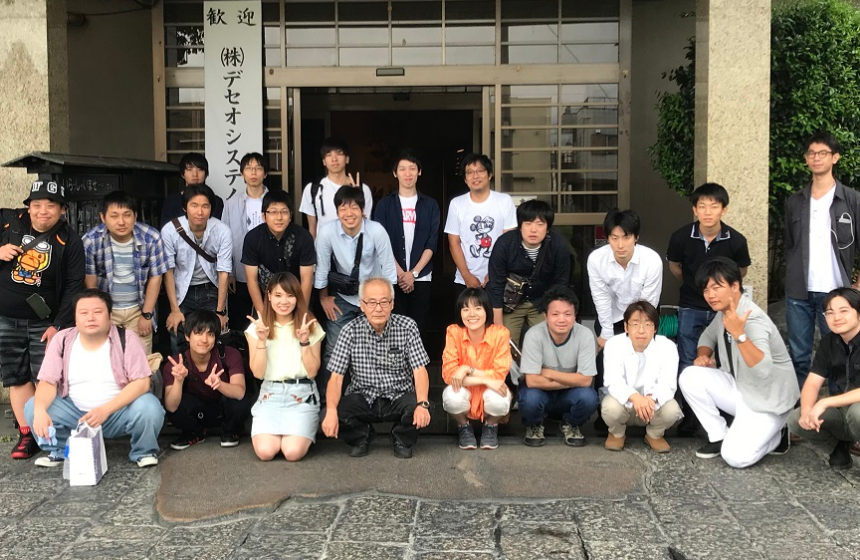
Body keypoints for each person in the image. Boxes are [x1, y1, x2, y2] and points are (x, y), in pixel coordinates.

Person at [24, 289, 164, 468]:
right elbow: (48, 382)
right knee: (33, 407)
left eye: (98, 312)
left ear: (110, 316)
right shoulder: (62, 339)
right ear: (75, 318)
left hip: (116, 413)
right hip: (75, 414)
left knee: (149, 407)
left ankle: (143, 452)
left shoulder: (127, 338)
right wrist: (40, 411)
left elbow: (142, 383)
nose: (90, 318)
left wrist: (105, 410)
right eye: (83, 313)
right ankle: (60, 451)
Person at [679, 257, 797, 468]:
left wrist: (739, 335)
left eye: (717, 287)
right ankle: (719, 436)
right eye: (706, 289)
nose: (710, 295)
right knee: (689, 376)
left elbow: (763, 370)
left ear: (735, 286)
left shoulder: (753, 319)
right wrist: (703, 356)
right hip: (743, 388)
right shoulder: (724, 313)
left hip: (767, 400)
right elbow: (707, 336)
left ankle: (778, 433)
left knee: (735, 457)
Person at [0, 180, 85, 460]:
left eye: (51, 205)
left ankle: (49, 434)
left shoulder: (69, 239)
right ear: (28, 207)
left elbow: (74, 286)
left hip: (45, 322)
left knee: (47, 378)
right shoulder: (8, 222)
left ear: (62, 210)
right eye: (36, 205)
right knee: (16, 377)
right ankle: (27, 436)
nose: (43, 211)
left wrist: (58, 325)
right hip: (6, 318)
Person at [666, 182, 750, 434]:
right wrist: (698, 287)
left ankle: (727, 412)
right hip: (690, 306)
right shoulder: (681, 236)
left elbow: (741, 271)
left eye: (714, 206)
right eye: (702, 206)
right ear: (695, 209)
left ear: (724, 210)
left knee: (727, 358)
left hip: (724, 310)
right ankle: (691, 416)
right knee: (688, 359)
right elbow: (675, 267)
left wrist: (720, 295)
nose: (708, 212)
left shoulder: (736, 240)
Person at [321, 277, 431, 459]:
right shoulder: (349, 331)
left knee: (422, 405)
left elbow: (419, 370)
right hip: (363, 397)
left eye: (384, 302)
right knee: (330, 411)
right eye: (371, 302)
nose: (378, 308)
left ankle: (400, 438)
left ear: (392, 304)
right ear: (362, 305)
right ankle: (362, 436)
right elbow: (336, 377)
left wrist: (422, 404)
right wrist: (331, 411)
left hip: (398, 396)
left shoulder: (408, 327)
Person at [784, 132, 860, 392]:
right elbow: (790, 244)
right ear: (806, 159)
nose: (816, 158)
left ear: (835, 158)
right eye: (811, 153)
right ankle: (802, 410)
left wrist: (857, 285)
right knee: (799, 355)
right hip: (799, 292)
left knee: (841, 354)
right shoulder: (794, 201)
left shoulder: (851, 199)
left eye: (823, 153)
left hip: (837, 291)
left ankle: (840, 411)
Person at [314, 186, 397, 395]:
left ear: (363, 210)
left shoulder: (376, 231)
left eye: (354, 207)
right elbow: (322, 268)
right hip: (343, 297)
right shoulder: (327, 232)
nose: (349, 213)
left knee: (376, 348)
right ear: (337, 211)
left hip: (374, 298)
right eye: (343, 208)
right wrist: (323, 298)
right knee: (333, 349)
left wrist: (385, 304)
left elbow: (388, 269)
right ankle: (329, 400)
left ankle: (377, 397)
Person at [245, 273, 324, 462]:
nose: (284, 301)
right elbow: (258, 373)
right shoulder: (257, 327)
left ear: (297, 297)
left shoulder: (309, 325)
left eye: (290, 295)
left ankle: (300, 431)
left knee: (292, 452)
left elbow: (313, 371)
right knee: (265, 452)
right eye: (278, 295)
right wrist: (262, 340)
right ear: (269, 296)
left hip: (302, 395)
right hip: (270, 395)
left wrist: (304, 341)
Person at [82, 190, 168, 354]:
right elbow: (90, 283)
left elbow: (156, 277)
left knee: (141, 361)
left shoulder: (151, 237)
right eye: (114, 216)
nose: (121, 222)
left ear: (135, 216)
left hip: (138, 309)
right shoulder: (91, 241)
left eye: (127, 215)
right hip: (107, 310)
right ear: (103, 218)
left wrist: (147, 315)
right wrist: (100, 314)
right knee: (107, 359)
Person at [518, 285, 599, 448]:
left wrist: (549, 373)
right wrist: (574, 379)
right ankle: (535, 424)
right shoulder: (534, 335)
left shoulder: (585, 335)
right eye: (555, 314)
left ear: (575, 315)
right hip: (540, 393)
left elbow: (586, 381)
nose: (561, 319)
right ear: (545, 316)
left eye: (567, 314)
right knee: (530, 399)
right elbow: (532, 381)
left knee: (589, 398)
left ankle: (570, 424)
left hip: (569, 395)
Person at [788, 287, 860, 470]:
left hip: (856, 411)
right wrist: (807, 411)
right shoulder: (829, 342)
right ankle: (839, 446)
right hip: (843, 411)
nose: (836, 317)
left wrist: (825, 402)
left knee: (857, 413)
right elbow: (813, 382)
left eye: (844, 311)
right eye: (830, 312)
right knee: (796, 418)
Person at [373, 149, 440, 339]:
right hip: (392, 277)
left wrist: (413, 274)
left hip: (422, 277)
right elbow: (381, 243)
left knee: (419, 329)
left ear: (419, 171)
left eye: (412, 168)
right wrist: (401, 274)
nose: (407, 173)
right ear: (395, 173)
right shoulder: (384, 205)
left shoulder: (430, 205)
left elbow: (431, 243)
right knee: (393, 330)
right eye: (402, 169)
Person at [162, 310, 253, 450]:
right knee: (178, 404)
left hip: (224, 409)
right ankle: (195, 433)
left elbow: (240, 393)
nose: (204, 340)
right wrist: (178, 381)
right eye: (198, 333)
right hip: (197, 410)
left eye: (210, 334)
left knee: (240, 402)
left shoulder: (230, 354)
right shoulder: (176, 364)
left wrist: (220, 384)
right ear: (187, 336)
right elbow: (171, 407)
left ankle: (230, 431)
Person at [487, 199, 570, 347]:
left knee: (548, 344)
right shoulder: (505, 244)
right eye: (528, 223)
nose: (533, 230)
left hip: (542, 302)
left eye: (540, 224)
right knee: (505, 346)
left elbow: (561, 283)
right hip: (510, 304)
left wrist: (555, 315)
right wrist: (498, 325)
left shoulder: (558, 245)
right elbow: (496, 285)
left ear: (548, 228)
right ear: (520, 226)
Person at [601, 301, 681, 453]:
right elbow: (613, 381)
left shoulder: (667, 347)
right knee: (610, 407)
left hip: (651, 406)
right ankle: (617, 433)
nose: (641, 330)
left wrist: (650, 398)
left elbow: (668, 384)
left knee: (672, 410)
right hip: (625, 404)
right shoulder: (614, 344)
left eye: (648, 324)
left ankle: (654, 435)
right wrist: (636, 398)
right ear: (626, 327)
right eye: (635, 324)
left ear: (655, 328)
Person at [161, 184, 232, 355]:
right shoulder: (170, 230)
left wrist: (220, 311)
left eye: (205, 206)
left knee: (212, 339)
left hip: (210, 289)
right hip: (181, 291)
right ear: (185, 207)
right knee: (179, 338)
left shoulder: (222, 230)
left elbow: (224, 271)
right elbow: (168, 271)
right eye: (194, 205)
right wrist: (174, 310)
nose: (200, 212)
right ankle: (182, 371)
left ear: (211, 208)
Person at [442, 288, 512, 450]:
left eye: (478, 308)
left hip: (489, 392)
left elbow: (499, 374)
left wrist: (467, 369)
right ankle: (463, 426)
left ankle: (491, 425)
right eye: (466, 309)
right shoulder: (454, 331)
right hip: (468, 391)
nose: (471, 314)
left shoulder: (500, 333)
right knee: (452, 396)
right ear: (460, 312)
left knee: (500, 397)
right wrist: (485, 379)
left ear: (487, 310)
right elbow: (449, 374)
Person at [588, 209, 663, 350]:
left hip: (643, 316)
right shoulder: (596, 259)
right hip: (610, 316)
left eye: (626, 237)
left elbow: (648, 302)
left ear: (636, 237)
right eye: (614, 238)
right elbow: (600, 297)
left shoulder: (652, 260)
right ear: (607, 238)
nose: (620, 245)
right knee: (608, 357)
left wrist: (638, 330)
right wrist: (607, 332)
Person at [444, 154, 516, 295]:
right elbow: (454, 243)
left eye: (480, 171)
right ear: (465, 179)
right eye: (470, 172)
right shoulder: (457, 204)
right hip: (464, 281)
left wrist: (494, 273)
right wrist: (466, 275)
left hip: (498, 278)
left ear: (489, 175)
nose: (475, 176)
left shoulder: (504, 201)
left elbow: (509, 241)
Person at [242, 189, 316, 317]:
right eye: (273, 212)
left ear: (290, 215)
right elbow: (252, 280)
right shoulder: (253, 238)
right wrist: (263, 315)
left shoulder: (303, 237)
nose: (279, 218)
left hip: (296, 299)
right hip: (266, 300)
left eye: (284, 212)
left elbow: (306, 279)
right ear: (264, 216)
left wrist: (301, 313)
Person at [221, 152, 269, 330]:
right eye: (249, 168)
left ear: (265, 173)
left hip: (269, 272)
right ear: (242, 174)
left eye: (258, 168)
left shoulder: (274, 202)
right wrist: (229, 273)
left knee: (269, 321)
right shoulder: (231, 203)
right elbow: (225, 241)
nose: (253, 172)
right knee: (240, 324)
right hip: (240, 272)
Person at [299, 137, 373, 238]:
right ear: (324, 161)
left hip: (354, 245)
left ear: (347, 159)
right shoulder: (313, 189)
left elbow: (367, 224)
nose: (334, 159)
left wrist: (357, 196)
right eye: (329, 155)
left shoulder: (363, 189)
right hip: (324, 246)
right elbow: (312, 228)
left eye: (339, 154)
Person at [161, 152, 225, 223]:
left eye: (200, 169)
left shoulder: (216, 202)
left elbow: (217, 227)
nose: (195, 174)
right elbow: (166, 228)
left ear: (206, 174)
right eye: (189, 169)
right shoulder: (171, 202)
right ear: (182, 174)